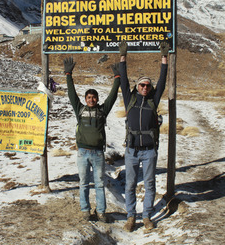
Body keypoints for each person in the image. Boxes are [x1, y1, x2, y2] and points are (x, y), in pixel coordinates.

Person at [119, 41, 169, 231]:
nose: (145, 88)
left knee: (149, 184)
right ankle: (131, 216)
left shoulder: (153, 101)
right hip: (131, 150)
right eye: (142, 85)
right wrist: (123, 57)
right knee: (130, 184)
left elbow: (162, 82)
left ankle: (147, 216)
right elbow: (123, 79)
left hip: (149, 151)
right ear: (137, 86)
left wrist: (164, 59)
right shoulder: (129, 99)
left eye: (148, 85)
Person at [63, 56, 121, 222]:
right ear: (86, 99)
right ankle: (85, 210)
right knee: (83, 183)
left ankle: (101, 212)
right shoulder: (79, 109)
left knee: (100, 184)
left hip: (97, 154)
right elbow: (72, 94)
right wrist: (68, 74)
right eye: (88, 97)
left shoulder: (102, 111)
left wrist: (117, 79)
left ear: (97, 99)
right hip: (82, 152)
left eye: (94, 97)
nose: (91, 99)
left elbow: (112, 97)